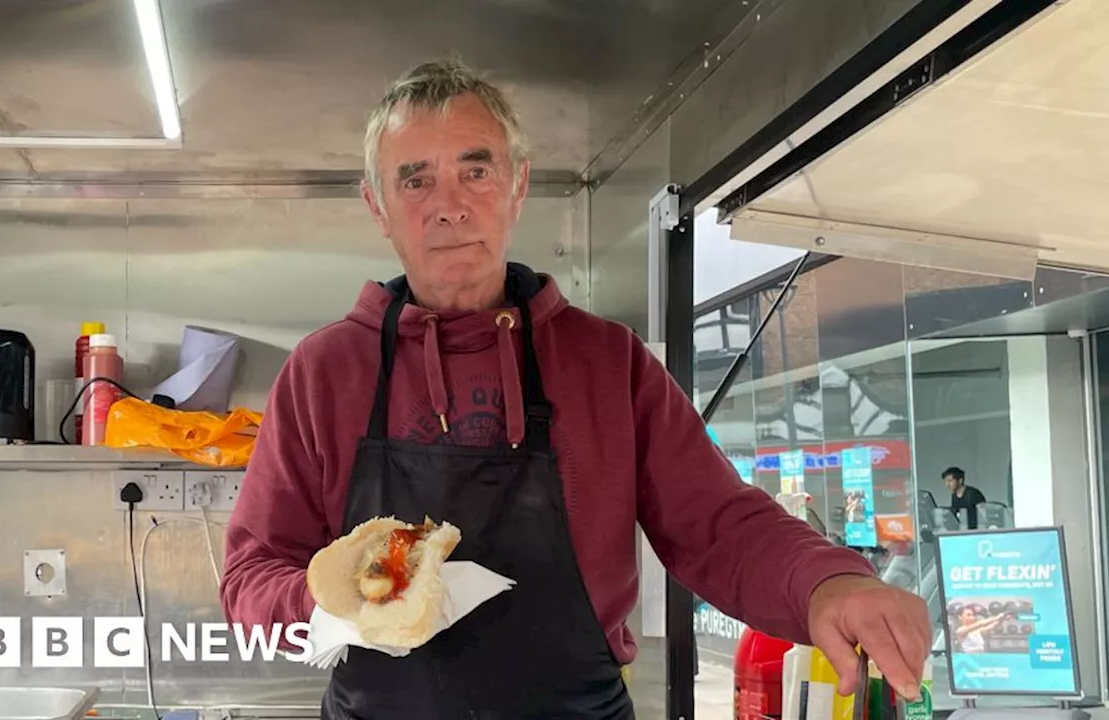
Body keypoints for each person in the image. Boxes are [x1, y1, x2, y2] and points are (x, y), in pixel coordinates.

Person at [220, 57, 931, 719]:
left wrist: (827, 584)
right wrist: (340, 601)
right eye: (415, 179)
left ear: (519, 185)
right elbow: (250, 574)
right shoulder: (323, 372)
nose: (449, 206)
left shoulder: (606, 361)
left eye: (476, 171)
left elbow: (718, 525)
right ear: (378, 205)